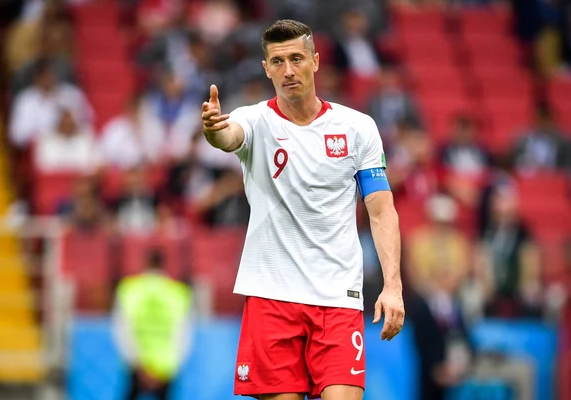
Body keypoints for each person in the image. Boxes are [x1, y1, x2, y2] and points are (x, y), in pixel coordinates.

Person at [201, 19, 404, 400]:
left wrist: (392, 286)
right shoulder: (254, 120)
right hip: (271, 296)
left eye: (297, 58)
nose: (288, 70)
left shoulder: (358, 128)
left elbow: (381, 209)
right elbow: (227, 136)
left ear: (315, 61)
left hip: (337, 299)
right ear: (266, 68)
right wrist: (213, 128)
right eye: (278, 62)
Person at [112, 249, 193, 400]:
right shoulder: (178, 293)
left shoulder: (129, 290)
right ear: (164, 265)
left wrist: (138, 366)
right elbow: (183, 335)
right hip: (166, 370)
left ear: (145, 263)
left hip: (137, 368)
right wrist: (169, 368)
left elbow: (122, 330)